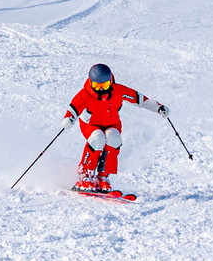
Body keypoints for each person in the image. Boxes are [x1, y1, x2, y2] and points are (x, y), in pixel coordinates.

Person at [62, 63, 170, 193]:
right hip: (90, 125)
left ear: (111, 81)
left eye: (105, 85)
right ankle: (85, 174)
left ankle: (103, 176)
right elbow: (73, 108)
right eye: (96, 85)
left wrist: (159, 107)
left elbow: (141, 100)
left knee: (113, 139)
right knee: (97, 138)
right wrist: (69, 119)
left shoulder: (119, 90)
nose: (101, 89)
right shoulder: (85, 94)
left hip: (112, 123)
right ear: (90, 82)